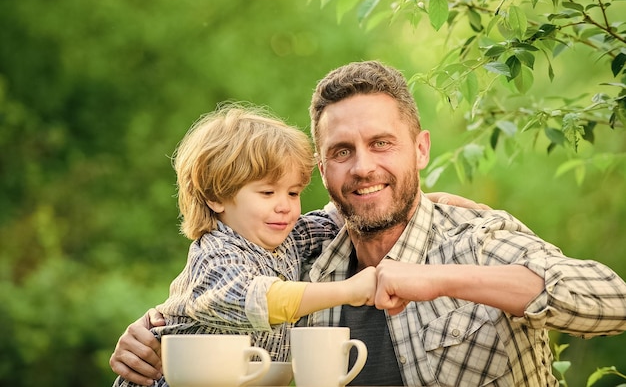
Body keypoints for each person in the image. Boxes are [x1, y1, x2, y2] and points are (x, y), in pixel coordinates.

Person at [111, 61, 626, 386]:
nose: (363, 167)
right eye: (342, 151)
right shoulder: (305, 250)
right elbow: (223, 281)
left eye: (382, 144)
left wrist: (436, 278)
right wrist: (153, 328)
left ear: (420, 149)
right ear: (321, 166)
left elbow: (614, 303)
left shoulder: (475, 238)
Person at [112, 104, 377, 387]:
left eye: (293, 192)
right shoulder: (215, 256)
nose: (284, 206)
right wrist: (349, 290)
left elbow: (345, 215)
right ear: (216, 197)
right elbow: (260, 300)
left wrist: (426, 202)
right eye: (267, 192)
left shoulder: (290, 238)